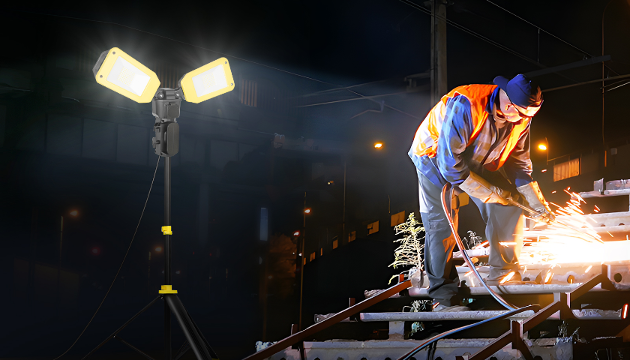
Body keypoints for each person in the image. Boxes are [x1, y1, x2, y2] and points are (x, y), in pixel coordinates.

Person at [408, 74, 553, 311]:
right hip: (435, 160)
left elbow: (519, 163)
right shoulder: (466, 105)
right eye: (523, 116)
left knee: (510, 204)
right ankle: (443, 298)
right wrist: (490, 191)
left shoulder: (521, 116)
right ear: (508, 105)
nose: (524, 122)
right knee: (441, 226)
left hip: (477, 160)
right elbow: (450, 166)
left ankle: (504, 275)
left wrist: (533, 199)